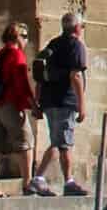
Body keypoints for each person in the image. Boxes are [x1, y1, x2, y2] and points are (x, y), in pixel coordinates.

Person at [32, 13, 91, 197]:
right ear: (77, 28)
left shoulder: (53, 45)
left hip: (49, 101)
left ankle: (44, 180)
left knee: (58, 141)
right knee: (63, 142)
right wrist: (82, 105)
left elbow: (40, 77)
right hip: (65, 101)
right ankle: (61, 181)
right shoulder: (76, 46)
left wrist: (38, 102)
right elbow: (75, 76)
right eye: (82, 26)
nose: (82, 29)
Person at [0, 22, 40, 198]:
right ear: (17, 37)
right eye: (25, 36)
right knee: (26, 142)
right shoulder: (17, 55)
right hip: (11, 105)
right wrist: (34, 106)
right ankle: (27, 183)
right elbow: (22, 85)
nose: (27, 41)